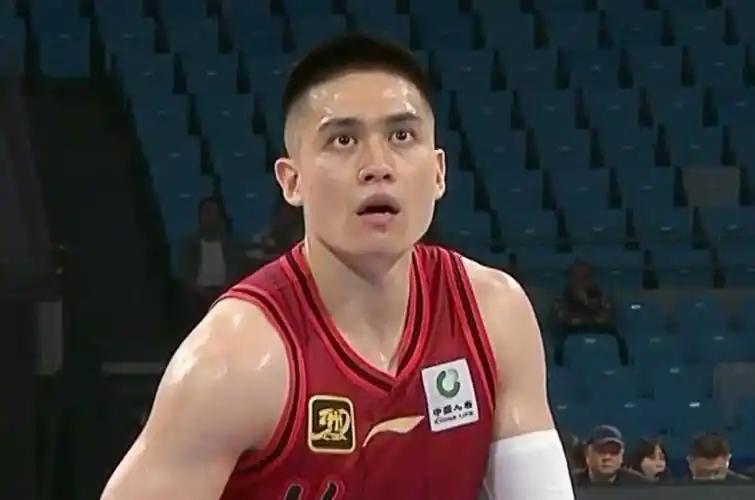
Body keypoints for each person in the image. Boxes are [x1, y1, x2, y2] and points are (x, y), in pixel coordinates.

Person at [101, 34, 573, 499]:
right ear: (292, 181)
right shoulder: (233, 360)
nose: (377, 165)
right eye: (343, 140)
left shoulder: (494, 315)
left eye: (402, 136)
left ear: (438, 173)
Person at [174, 196, 244, 325]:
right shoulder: (189, 244)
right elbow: (183, 273)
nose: (209, 217)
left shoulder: (231, 245)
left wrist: (224, 291)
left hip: (225, 293)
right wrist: (199, 290)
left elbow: (236, 271)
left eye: (213, 213)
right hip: (196, 295)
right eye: (206, 213)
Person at [573, 425, 647, 486]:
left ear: (621, 456)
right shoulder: (570, 483)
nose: (607, 457)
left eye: (614, 451)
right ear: (587, 453)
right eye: (601, 450)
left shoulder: (640, 486)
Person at [686, 432, 751, 482]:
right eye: (703, 473)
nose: (711, 480)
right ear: (690, 461)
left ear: (728, 460)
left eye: (716, 473)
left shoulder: (748, 489)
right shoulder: (680, 491)